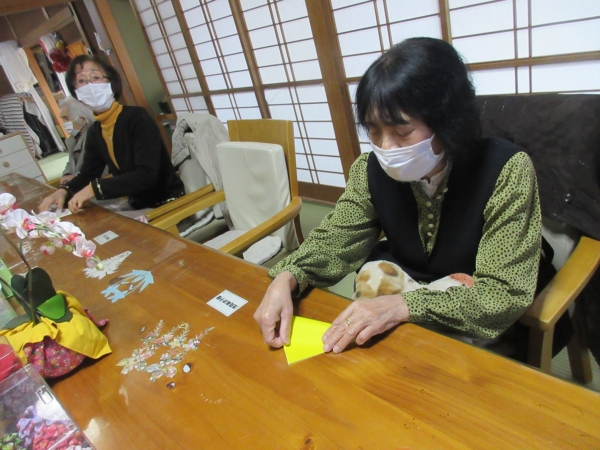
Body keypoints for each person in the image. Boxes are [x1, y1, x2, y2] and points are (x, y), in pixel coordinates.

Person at [254, 37, 544, 356]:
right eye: (374, 131)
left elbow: (501, 294)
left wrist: (403, 306)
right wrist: (288, 276)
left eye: (402, 132)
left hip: (470, 299)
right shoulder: (370, 169)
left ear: (447, 120)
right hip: (408, 281)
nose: (386, 147)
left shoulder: (505, 169)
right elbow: (338, 237)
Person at [39, 55, 184, 214]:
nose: (90, 85)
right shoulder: (95, 131)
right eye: (81, 81)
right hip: (137, 205)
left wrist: (93, 189)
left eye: (95, 77)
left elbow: (146, 175)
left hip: (167, 204)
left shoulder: (137, 116)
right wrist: (64, 190)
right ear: (76, 93)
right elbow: (87, 174)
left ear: (110, 82)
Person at [58, 97, 95, 185]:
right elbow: (71, 162)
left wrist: (77, 177)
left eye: (67, 119)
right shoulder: (73, 138)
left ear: (82, 119)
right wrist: (67, 174)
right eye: (63, 119)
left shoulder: (94, 137)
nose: (64, 123)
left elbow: (98, 168)